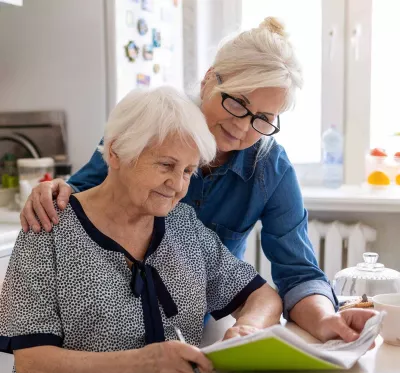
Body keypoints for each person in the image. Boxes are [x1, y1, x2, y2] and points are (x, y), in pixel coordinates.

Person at [20, 17, 376, 343]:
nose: (241, 126)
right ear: (210, 79)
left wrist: (326, 319)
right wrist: (52, 191)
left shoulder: (271, 169)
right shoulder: (150, 126)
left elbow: (298, 274)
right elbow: (82, 196)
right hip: (108, 328)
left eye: (263, 118)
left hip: (195, 327)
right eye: (237, 102)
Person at [0, 86, 282, 373]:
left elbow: (262, 296)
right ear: (117, 151)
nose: (177, 185)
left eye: (188, 171)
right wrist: (145, 366)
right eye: (166, 165)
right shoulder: (48, 227)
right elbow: (34, 368)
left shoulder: (183, 224)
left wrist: (249, 328)